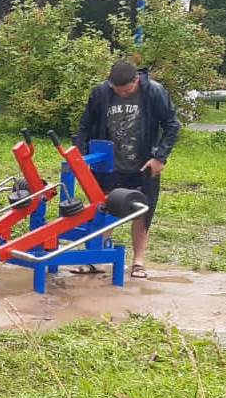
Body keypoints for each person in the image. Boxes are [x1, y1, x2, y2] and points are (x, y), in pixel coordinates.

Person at [74, 59, 180, 279]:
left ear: (136, 80)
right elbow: (85, 126)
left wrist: (160, 157)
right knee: (102, 206)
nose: (122, 93)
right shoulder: (101, 93)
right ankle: (95, 259)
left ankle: (138, 262)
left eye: (127, 90)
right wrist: (82, 156)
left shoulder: (154, 92)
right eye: (117, 90)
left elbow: (172, 124)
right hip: (108, 164)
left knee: (142, 210)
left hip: (143, 165)